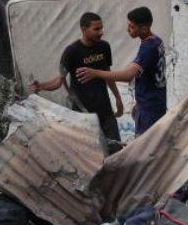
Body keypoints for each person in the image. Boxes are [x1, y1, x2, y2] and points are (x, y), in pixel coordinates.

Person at [29, 12, 124, 140]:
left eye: (101, 28)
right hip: (83, 114)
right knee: (90, 155)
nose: (101, 32)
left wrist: (118, 98)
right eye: (96, 29)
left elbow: (108, 74)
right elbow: (59, 81)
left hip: (105, 112)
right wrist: (40, 86)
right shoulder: (72, 52)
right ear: (84, 29)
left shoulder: (104, 47)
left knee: (115, 149)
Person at [76, 6, 167, 136]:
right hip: (153, 102)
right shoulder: (156, 41)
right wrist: (139, 103)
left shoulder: (148, 48)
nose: (128, 29)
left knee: (144, 149)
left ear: (145, 28)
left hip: (149, 108)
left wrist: (95, 73)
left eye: (132, 27)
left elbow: (128, 75)